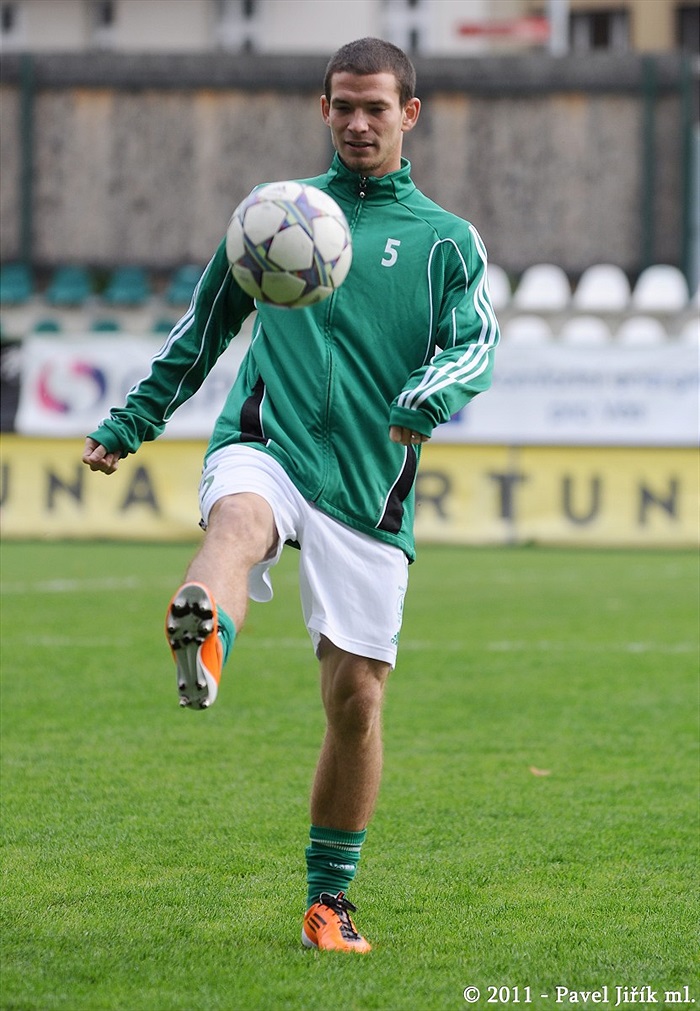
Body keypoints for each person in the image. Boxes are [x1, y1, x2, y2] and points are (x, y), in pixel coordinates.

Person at [82, 37, 499, 953]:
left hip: (369, 485)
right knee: (237, 518)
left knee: (356, 700)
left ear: (408, 116)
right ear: (323, 109)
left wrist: (432, 395)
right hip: (265, 442)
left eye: (375, 108)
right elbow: (199, 334)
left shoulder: (445, 243)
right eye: (343, 106)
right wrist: (128, 425)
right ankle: (207, 631)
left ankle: (327, 902)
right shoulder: (273, 216)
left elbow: (477, 345)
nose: (357, 121)